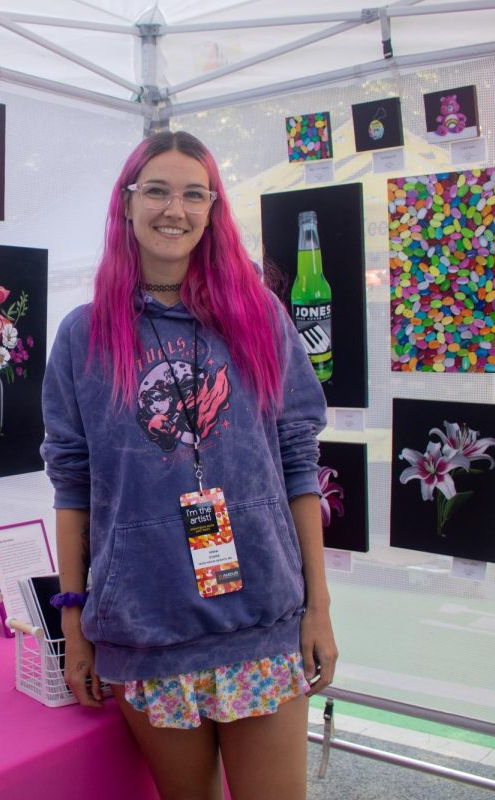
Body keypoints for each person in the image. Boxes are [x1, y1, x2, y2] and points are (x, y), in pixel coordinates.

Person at [39, 130, 337, 800]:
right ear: (127, 204)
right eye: (158, 191)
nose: (174, 209)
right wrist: (73, 619)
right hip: (148, 629)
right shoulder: (83, 337)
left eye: (193, 194)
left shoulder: (258, 317)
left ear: (212, 211)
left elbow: (298, 462)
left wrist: (318, 608)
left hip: (260, 621)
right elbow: (72, 484)